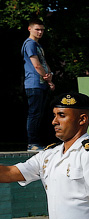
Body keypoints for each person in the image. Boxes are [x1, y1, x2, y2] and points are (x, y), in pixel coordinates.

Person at [22, 20, 55, 151]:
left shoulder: (37, 45)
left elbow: (44, 62)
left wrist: (50, 75)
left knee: (40, 114)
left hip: (41, 84)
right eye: (37, 29)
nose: (40, 32)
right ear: (29, 29)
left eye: (42, 30)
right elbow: (36, 64)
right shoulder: (30, 44)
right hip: (34, 84)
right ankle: (32, 143)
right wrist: (48, 79)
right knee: (34, 114)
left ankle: (38, 142)